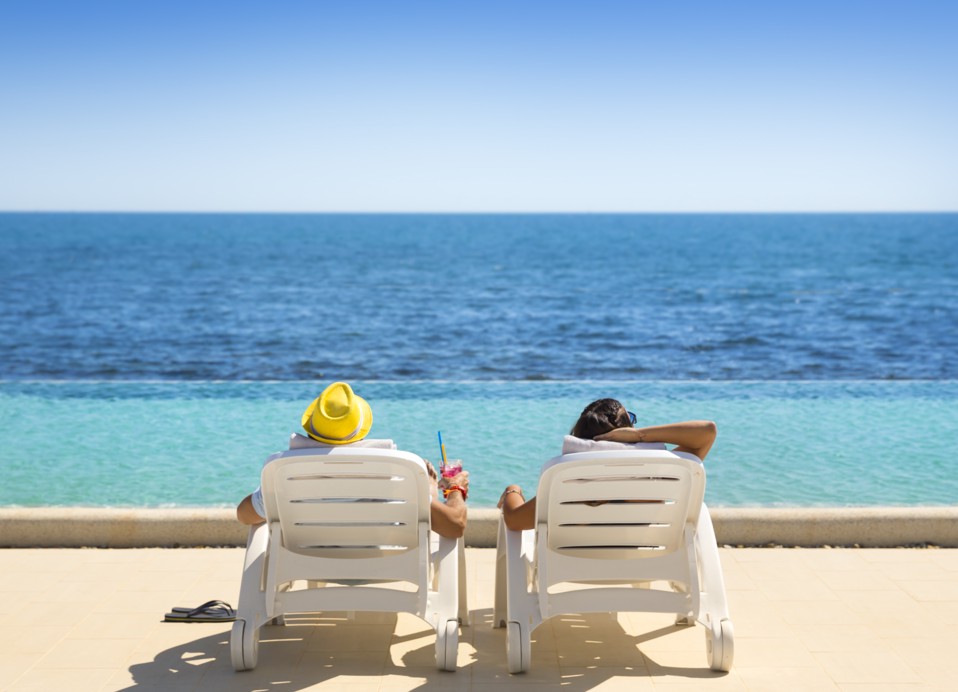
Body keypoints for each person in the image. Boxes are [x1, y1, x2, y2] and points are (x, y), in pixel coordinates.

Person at [237, 381, 469, 538]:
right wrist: (444, 489)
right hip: (388, 563)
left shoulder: (286, 473)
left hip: (308, 559)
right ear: (361, 430)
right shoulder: (395, 471)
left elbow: (244, 515)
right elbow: (454, 526)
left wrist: (268, 493)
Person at [498, 397, 716, 531]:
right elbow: (706, 431)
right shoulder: (658, 474)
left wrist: (512, 490)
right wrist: (638, 436)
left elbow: (515, 520)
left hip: (574, 562)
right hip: (644, 559)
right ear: (626, 430)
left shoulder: (568, 480)